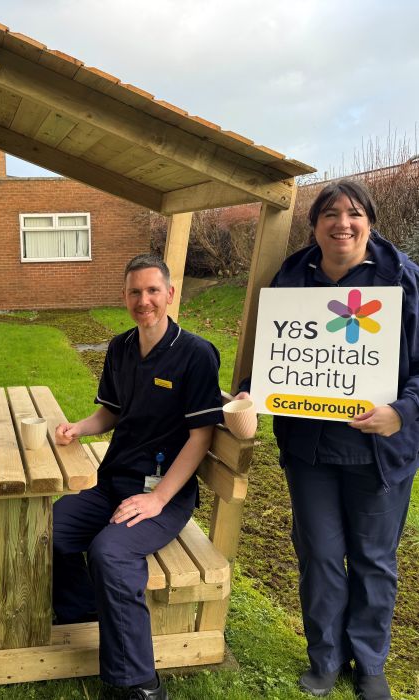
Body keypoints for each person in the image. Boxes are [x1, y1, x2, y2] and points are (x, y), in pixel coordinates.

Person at [237, 180, 418, 700]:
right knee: (318, 554)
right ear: (314, 224)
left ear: (371, 221)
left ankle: (370, 664)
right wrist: (251, 395)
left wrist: (402, 414)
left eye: (354, 213)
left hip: (379, 453)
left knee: (373, 560)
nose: (343, 222)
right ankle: (325, 656)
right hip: (310, 450)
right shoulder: (292, 278)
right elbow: (277, 357)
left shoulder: (403, 280)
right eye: (330, 214)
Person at [53, 254, 223, 700]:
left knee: (110, 552)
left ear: (170, 294)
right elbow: (110, 412)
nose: (143, 300)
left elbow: (200, 437)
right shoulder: (121, 347)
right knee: (46, 527)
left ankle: (139, 685)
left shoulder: (196, 353)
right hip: (113, 482)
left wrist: (160, 499)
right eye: (134, 292)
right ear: (125, 297)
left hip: (162, 492)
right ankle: (81, 611)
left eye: (152, 290)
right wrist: (78, 428)